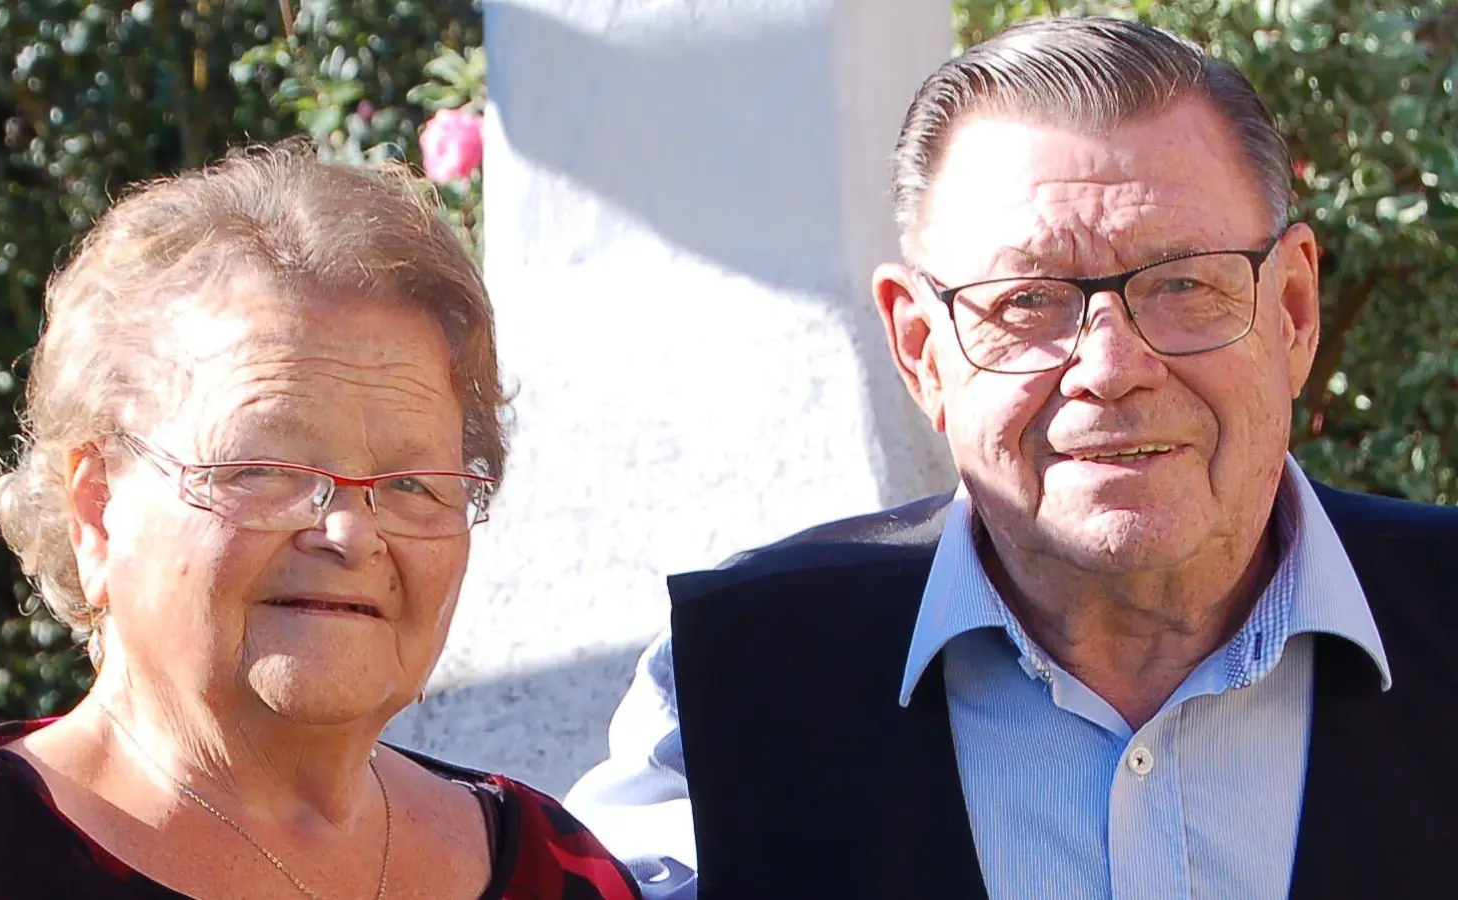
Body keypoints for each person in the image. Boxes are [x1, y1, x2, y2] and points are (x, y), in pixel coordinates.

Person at [566, 16, 1458, 900]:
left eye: (1183, 282)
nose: (1111, 369)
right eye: (1027, 300)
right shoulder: (740, 686)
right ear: (920, 348)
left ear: (1294, 310)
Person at [0, 141, 641, 900]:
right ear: (96, 507)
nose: (352, 533)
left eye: (410, 483)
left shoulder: (554, 869)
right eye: (264, 471)